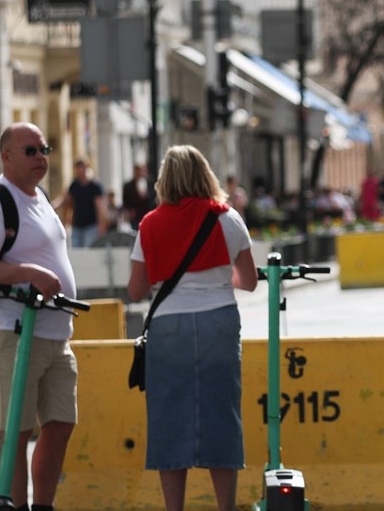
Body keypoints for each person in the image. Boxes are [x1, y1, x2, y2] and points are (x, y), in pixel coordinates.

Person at [127, 145, 258, 511]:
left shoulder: (150, 224)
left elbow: (136, 289)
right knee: (221, 414)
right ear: (206, 175)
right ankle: (225, 507)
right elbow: (247, 281)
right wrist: (216, 275)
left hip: (168, 328)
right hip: (218, 320)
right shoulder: (228, 219)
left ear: (165, 180)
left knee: (169, 419)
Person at [0, 122, 79, 511]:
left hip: (54, 331)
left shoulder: (41, 197)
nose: (40, 157)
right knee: (17, 431)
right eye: (30, 151)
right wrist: (30, 273)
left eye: (43, 149)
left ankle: (41, 506)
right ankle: (10, 502)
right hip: (14, 330)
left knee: (61, 423)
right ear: (7, 156)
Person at [53, 158, 107, 248]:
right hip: (77, 226)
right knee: (77, 253)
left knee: (87, 251)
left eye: (80, 168)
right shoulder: (74, 185)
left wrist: (101, 226)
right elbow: (65, 200)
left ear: (86, 168)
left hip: (91, 226)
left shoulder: (95, 186)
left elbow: (100, 208)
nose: (78, 171)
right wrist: (52, 206)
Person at [122, 163, 155, 229]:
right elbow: (125, 201)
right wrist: (129, 211)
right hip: (135, 217)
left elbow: (154, 197)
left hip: (148, 214)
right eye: (137, 171)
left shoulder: (150, 183)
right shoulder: (128, 186)